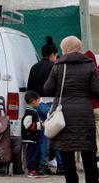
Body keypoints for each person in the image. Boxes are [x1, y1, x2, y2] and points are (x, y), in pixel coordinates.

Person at [44, 36, 99, 183]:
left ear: (65, 48)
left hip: (64, 114)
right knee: (88, 152)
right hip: (85, 113)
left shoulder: (59, 65)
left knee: (67, 152)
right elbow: (98, 90)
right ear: (79, 48)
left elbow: (48, 88)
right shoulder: (89, 65)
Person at [27, 36, 63, 175]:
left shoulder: (34, 68)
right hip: (53, 104)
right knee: (58, 135)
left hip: (39, 104)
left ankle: (42, 165)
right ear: (53, 55)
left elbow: (30, 88)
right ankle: (61, 166)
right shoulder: (55, 67)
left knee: (43, 136)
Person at [84, 51, 99, 170]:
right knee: (96, 133)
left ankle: (98, 157)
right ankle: (97, 158)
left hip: (88, 108)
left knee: (91, 135)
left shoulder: (83, 75)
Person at [21, 91, 43, 178]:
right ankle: (31, 170)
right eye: (38, 101)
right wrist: (40, 125)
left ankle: (36, 169)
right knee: (32, 154)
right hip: (31, 138)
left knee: (38, 153)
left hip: (35, 138)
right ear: (33, 102)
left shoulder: (33, 111)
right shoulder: (29, 113)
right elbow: (27, 125)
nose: (39, 103)